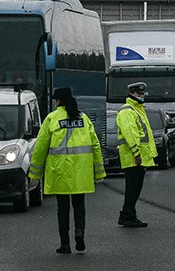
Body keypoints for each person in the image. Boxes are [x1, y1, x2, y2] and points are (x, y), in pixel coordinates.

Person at [28, 87, 105, 254]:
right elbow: (95, 145)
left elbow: (40, 148)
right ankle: (80, 233)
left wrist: (34, 175)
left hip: (59, 170)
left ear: (58, 101)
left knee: (62, 208)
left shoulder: (52, 118)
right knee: (79, 205)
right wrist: (99, 171)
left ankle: (65, 244)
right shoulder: (83, 118)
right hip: (81, 170)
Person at [116, 81, 157, 228]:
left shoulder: (137, 109)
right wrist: (136, 154)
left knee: (134, 189)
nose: (141, 96)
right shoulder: (128, 111)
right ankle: (128, 217)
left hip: (138, 158)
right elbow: (131, 134)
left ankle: (127, 215)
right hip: (132, 157)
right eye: (138, 93)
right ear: (131, 94)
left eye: (142, 93)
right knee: (132, 190)